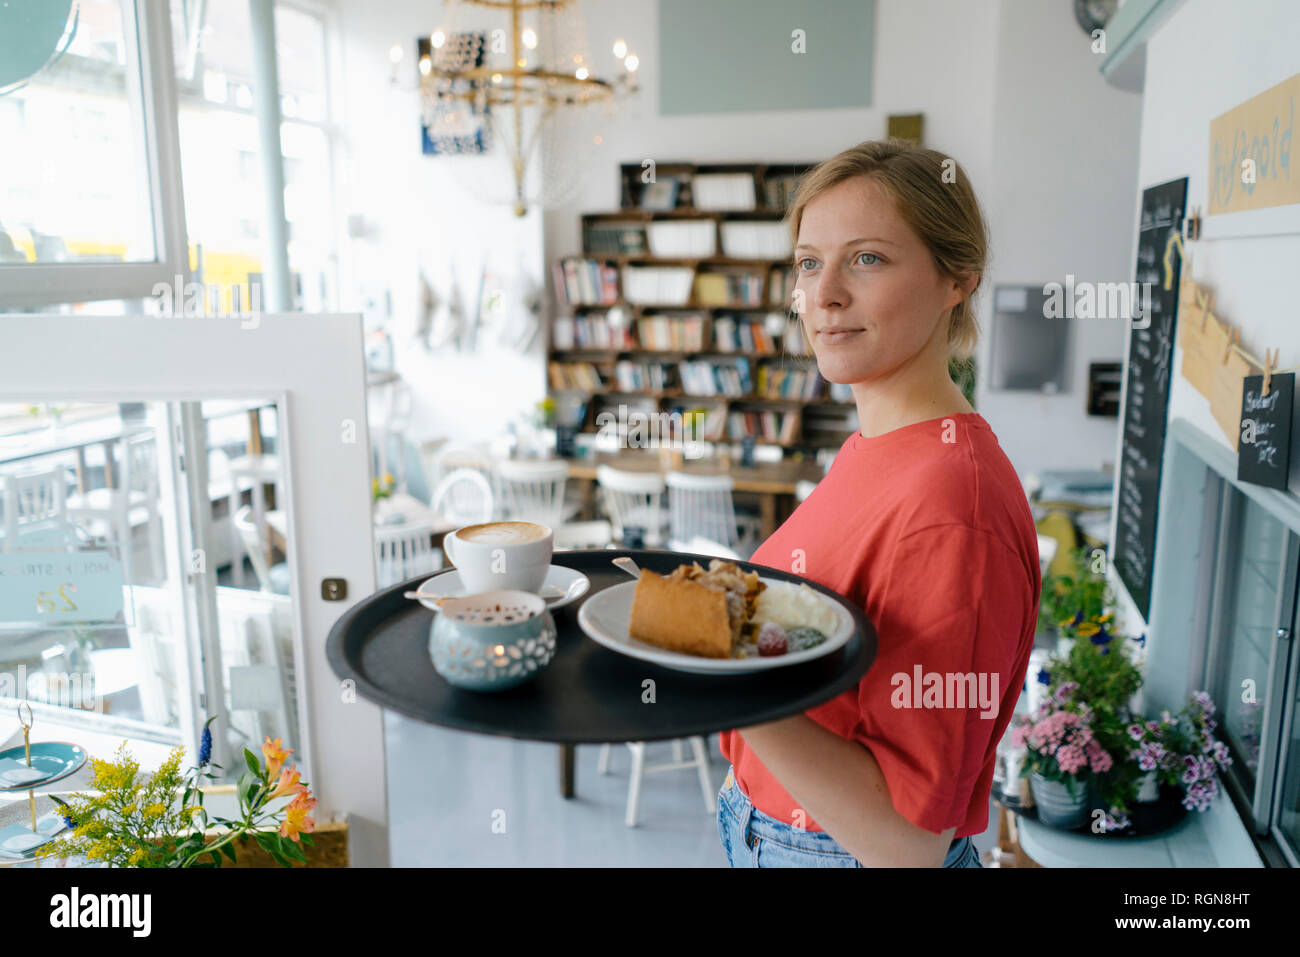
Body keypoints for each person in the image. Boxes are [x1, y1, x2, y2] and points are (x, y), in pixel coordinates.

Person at [717, 139, 1042, 867]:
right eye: (808, 261)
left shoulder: (955, 504)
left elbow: (907, 844)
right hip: (769, 828)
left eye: (866, 258)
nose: (822, 293)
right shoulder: (877, 443)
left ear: (957, 277)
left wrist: (714, 682)